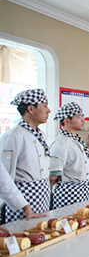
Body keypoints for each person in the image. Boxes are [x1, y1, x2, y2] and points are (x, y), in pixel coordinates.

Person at [0, 89, 50, 222]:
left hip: (42, 198)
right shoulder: (13, 136)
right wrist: (22, 205)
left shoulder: (41, 134)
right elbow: (5, 176)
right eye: (45, 106)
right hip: (22, 200)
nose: (48, 111)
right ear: (30, 109)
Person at [49, 102, 89, 210]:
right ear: (67, 121)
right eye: (79, 117)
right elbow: (53, 176)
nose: (83, 120)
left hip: (83, 191)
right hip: (69, 194)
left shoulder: (75, 139)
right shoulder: (61, 143)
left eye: (82, 116)